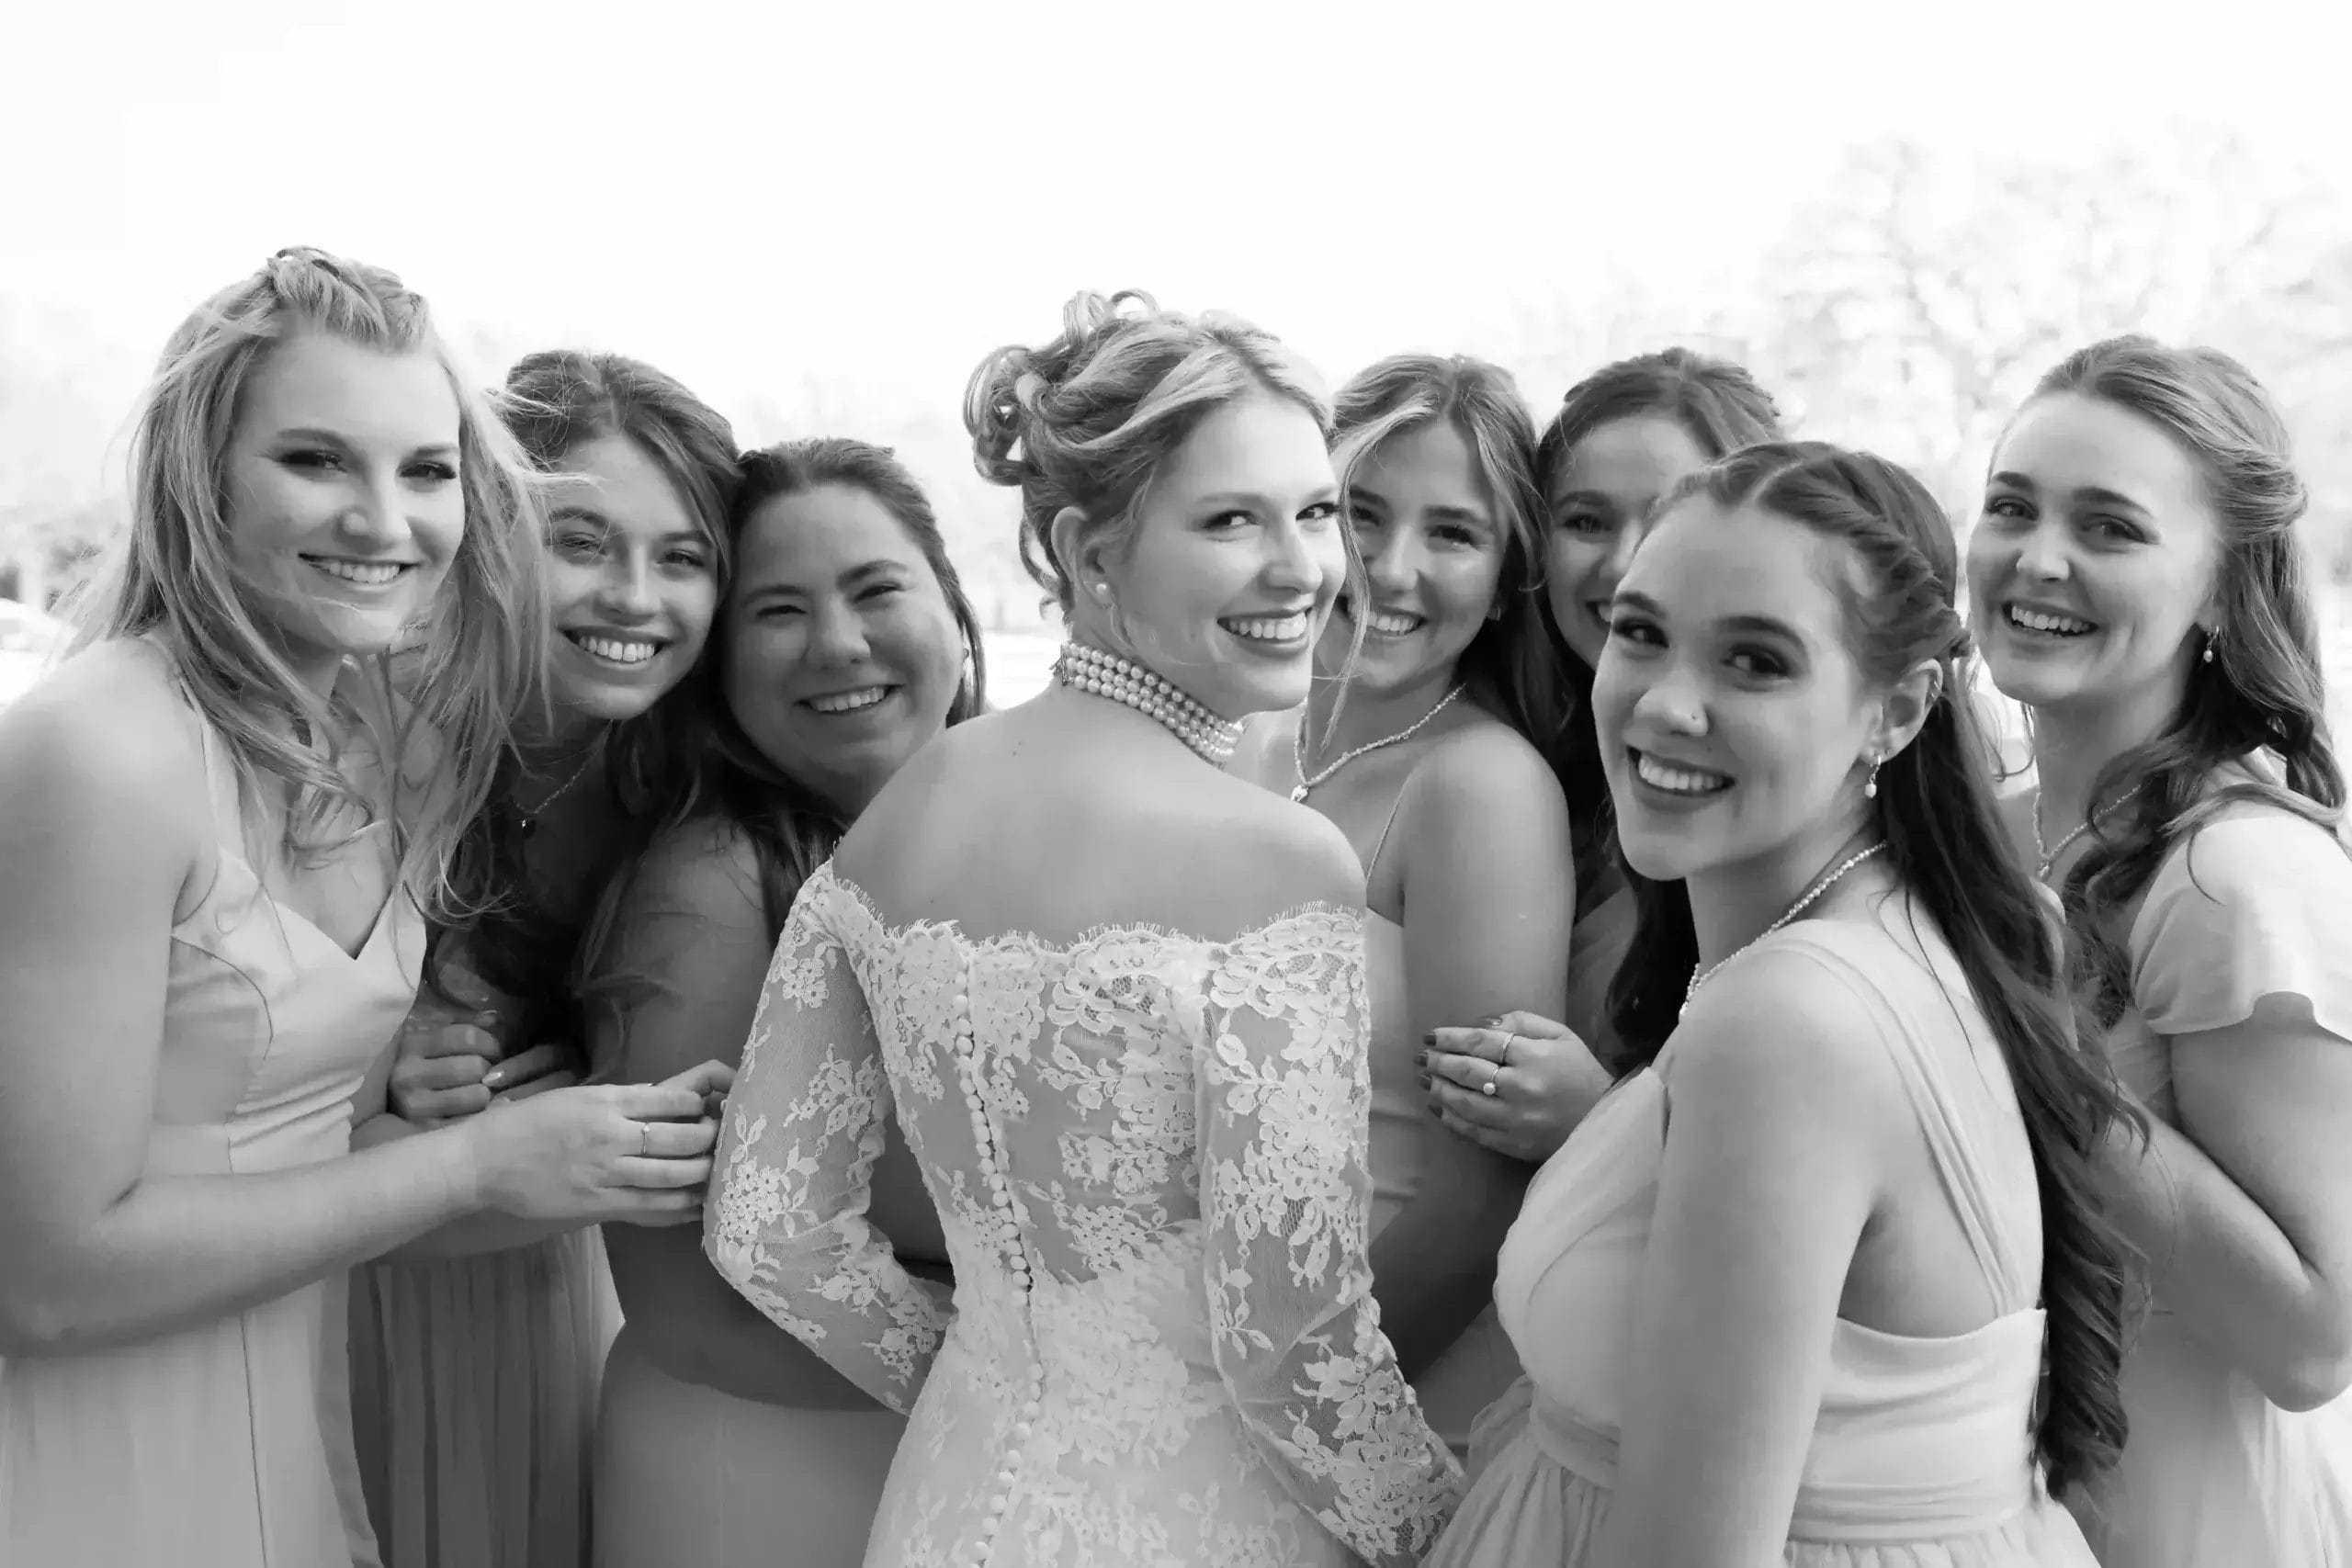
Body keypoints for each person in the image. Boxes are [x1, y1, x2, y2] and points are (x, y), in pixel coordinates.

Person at [705, 289, 1462, 1566]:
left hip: (949, 1502)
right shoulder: (1277, 858)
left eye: (1314, 510)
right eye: (1231, 520)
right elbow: (1290, 1343)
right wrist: (1450, 1533)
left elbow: (766, 1227)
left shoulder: (907, 806)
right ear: (1090, 552)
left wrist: (992, 1383)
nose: (1308, 568)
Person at [0, 248, 727, 1568]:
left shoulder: (377, 745)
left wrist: (522, 1123)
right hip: (96, 1451)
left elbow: (270, 1145)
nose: (385, 520)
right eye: (317, 460)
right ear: (201, 473)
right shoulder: (96, 752)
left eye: (427, 470)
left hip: (287, 1423)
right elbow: (39, 1276)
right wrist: (470, 1162)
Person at [1428, 440, 2126, 1566]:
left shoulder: (1784, 1026)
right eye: (1640, 633)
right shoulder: (1905, 927)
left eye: (1753, 662)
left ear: (1896, 711)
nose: (1667, 703)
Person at [347, 348, 741, 1568]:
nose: (634, 596)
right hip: (353, 1283)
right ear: (488, 533)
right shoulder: (373, 735)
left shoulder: (685, 780)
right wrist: (378, 1040)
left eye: (684, 558)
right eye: (582, 542)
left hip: (562, 1282)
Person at [1971, 335, 2352, 1566]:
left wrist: (2036, 1048)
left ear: (2221, 592)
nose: (2038, 558)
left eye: (2109, 527)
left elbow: (2313, 1341)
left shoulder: (2234, 878)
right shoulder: (1983, 827)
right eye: (2012, 506)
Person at [588, 436, 987, 1568]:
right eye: (778, 612)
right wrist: (1042, 1389)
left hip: (969, 1474)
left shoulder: (1024, 832)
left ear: (952, 608)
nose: (838, 645)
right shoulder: (708, 887)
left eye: (876, 590)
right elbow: (687, 1312)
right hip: (768, 1466)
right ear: (719, 662)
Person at [1239, 352, 1573, 1458]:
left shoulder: (1479, 788)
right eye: (1359, 514)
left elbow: (1477, 1197)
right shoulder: (1238, 733)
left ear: (1507, 575)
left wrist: (1300, 1416)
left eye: (1453, 534)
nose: (1389, 570)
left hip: (1378, 1381)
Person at [1422, 348, 1784, 1168]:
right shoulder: (1510, 762)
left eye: (1666, 521)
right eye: (1586, 521)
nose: (1624, 564)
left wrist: (1600, 1118)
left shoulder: (1769, 791)